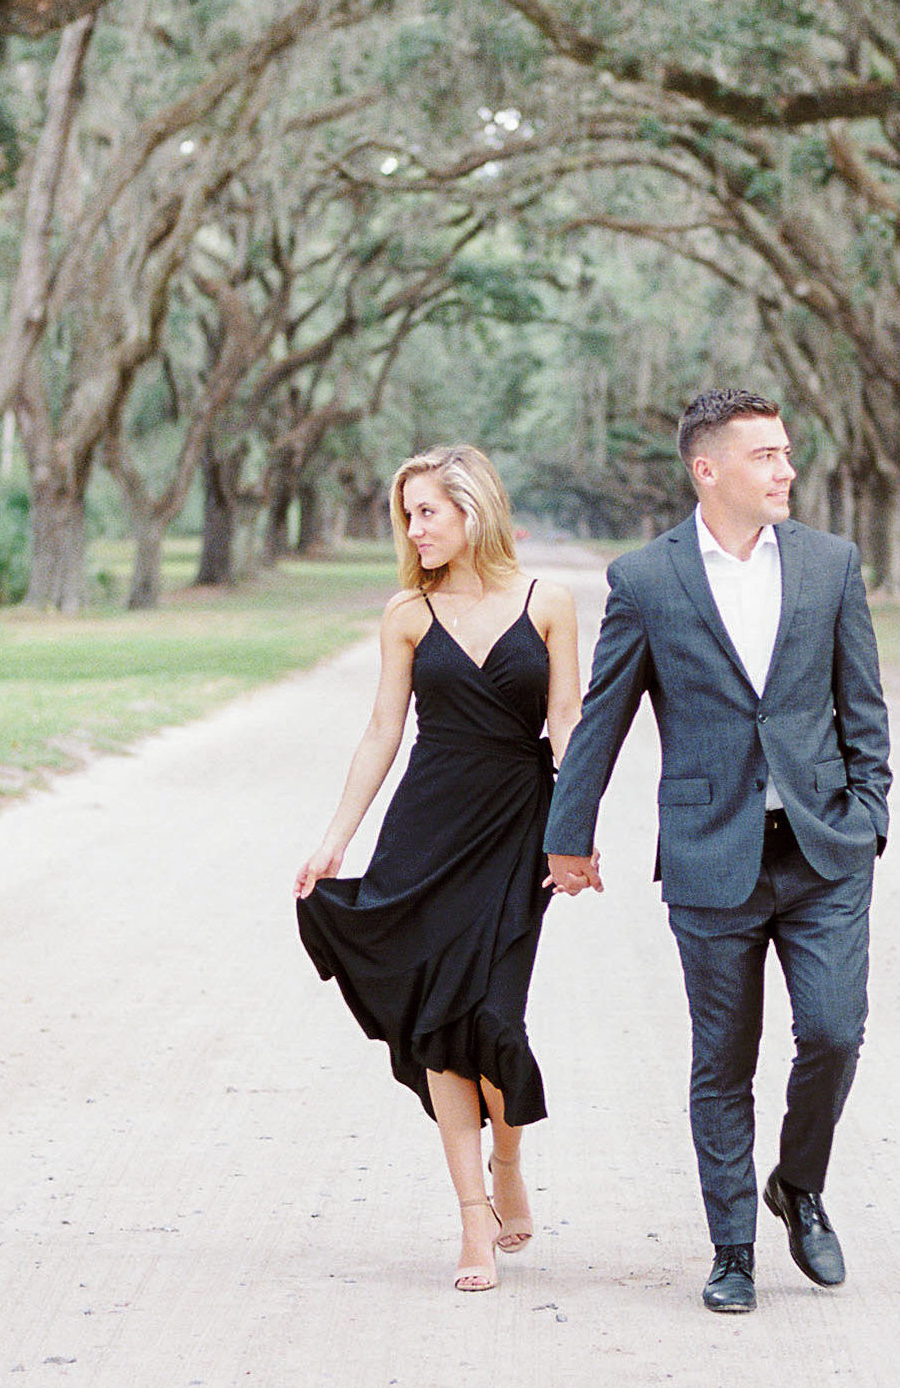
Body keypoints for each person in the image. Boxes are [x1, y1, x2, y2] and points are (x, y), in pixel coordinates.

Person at [544, 388, 890, 1314]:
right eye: (765, 456)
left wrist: (870, 818)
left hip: (823, 851)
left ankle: (799, 1184)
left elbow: (863, 709)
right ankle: (732, 1248)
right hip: (709, 851)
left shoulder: (829, 564)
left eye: (785, 454)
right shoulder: (647, 580)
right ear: (708, 470)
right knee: (721, 1059)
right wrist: (566, 836)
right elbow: (603, 718)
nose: (785, 470)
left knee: (831, 1032)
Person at [295, 444, 581, 1293]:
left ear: (473, 510)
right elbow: (383, 731)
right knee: (440, 1028)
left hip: (515, 830)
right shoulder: (406, 613)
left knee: (494, 1017)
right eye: (408, 514)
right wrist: (334, 839)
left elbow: (566, 718)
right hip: (425, 832)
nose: (414, 529)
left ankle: (508, 1159)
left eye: (427, 511)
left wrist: (576, 829)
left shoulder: (548, 603)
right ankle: (470, 1226)